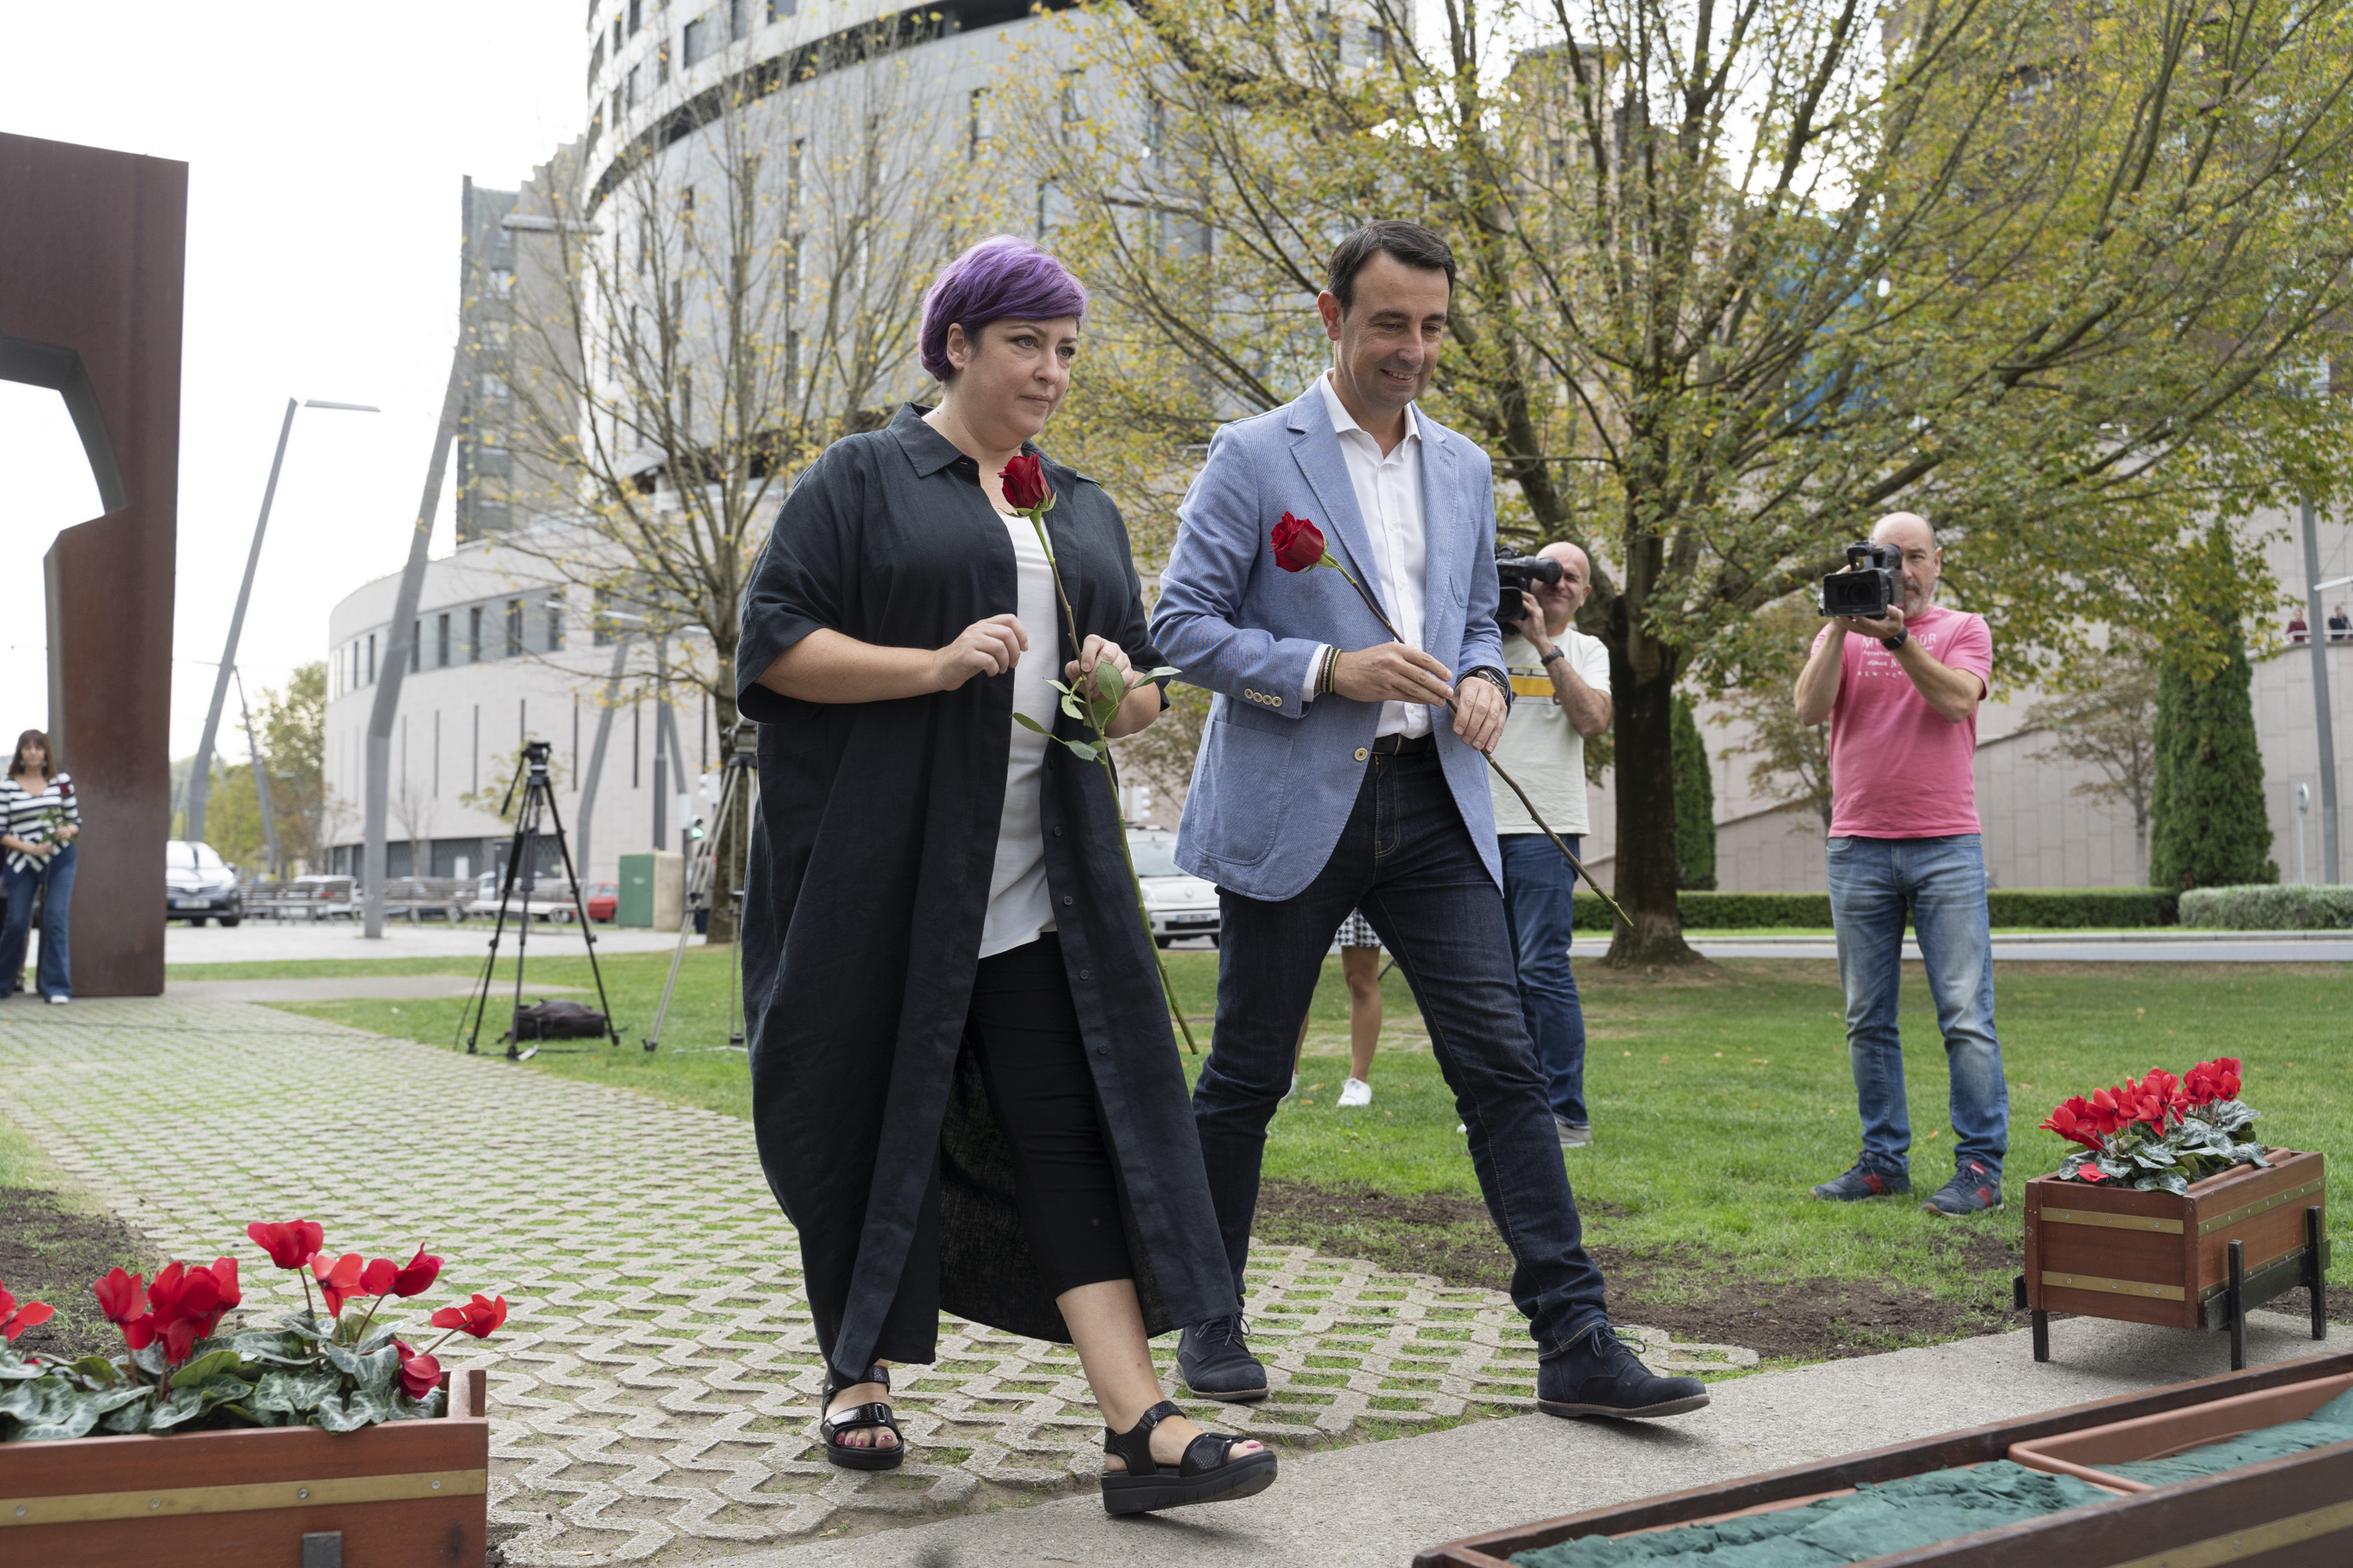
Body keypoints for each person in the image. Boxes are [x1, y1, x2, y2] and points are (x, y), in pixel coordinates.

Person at [736, 235, 1274, 1514]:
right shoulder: (864, 478)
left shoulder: (1076, 505)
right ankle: (855, 1370)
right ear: (958, 344)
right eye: (1026, 343)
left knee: (1072, 1130)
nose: (1050, 372)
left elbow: (1135, 693)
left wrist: (1115, 690)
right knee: (864, 1116)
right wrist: (929, 664)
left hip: (1048, 890)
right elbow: (773, 645)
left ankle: (1137, 1423)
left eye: (1067, 350)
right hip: (886, 872)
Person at [1152, 220, 1708, 1421]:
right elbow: (1180, 627)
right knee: (1247, 1074)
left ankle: (1574, 1338)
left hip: (1432, 805)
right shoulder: (1251, 455)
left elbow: (1469, 619)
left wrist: (1480, 677)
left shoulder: (1462, 466)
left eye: (1432, 326)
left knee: (1503, 1067)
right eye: (1388, 323)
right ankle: (1207, 1315)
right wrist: (1323, 671)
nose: (1412, 348)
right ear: (1330, 317)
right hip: (1294, 803)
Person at [1792, 511, 2008, 1217]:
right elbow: (1807, 709)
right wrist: (1838, 626)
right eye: (1889, 558)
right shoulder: (1842, 633)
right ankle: (1883, 1161)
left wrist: (1901, 640)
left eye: (1915, 557)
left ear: (1938, 561)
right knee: (1866, 1017)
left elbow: (1953, 702)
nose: (1904, 572)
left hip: (1946, 844)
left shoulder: (1963, 629)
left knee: (1965, 1014)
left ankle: (1978, 1167)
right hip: (1857, 844)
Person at [1493, 543, 1611, 1147]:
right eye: (1549, 572)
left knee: (1541, 968)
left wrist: (1544, 645)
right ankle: (1512, 1109)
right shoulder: (1482, 640)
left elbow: (1591, 720)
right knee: (1495, 978)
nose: (1560, 582)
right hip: (1477, 826)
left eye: (1574, 577)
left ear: (1585, 593)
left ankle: (1567, 1113)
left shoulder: (1587, 650)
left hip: (1546, 829)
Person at [0, 730, 79, 1004]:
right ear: (20, 753)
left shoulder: (63, 783)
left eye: (38, 747)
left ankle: (56, 987)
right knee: (17, 923)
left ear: (46, 752)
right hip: (22, 862)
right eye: (27, 748)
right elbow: (1, 831)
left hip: (59, 861)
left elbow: (75, 821)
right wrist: (28, 848)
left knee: (55, 919)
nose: (33, 752)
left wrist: (66, 831)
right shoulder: (7, 786)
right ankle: (3, 984)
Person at [1287, 912, 1383, 1105]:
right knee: (1295, 978)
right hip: (1310, 883)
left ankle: (1358, 1082)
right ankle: (1286, 1075)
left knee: (1361, 980)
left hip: (1361, 889)